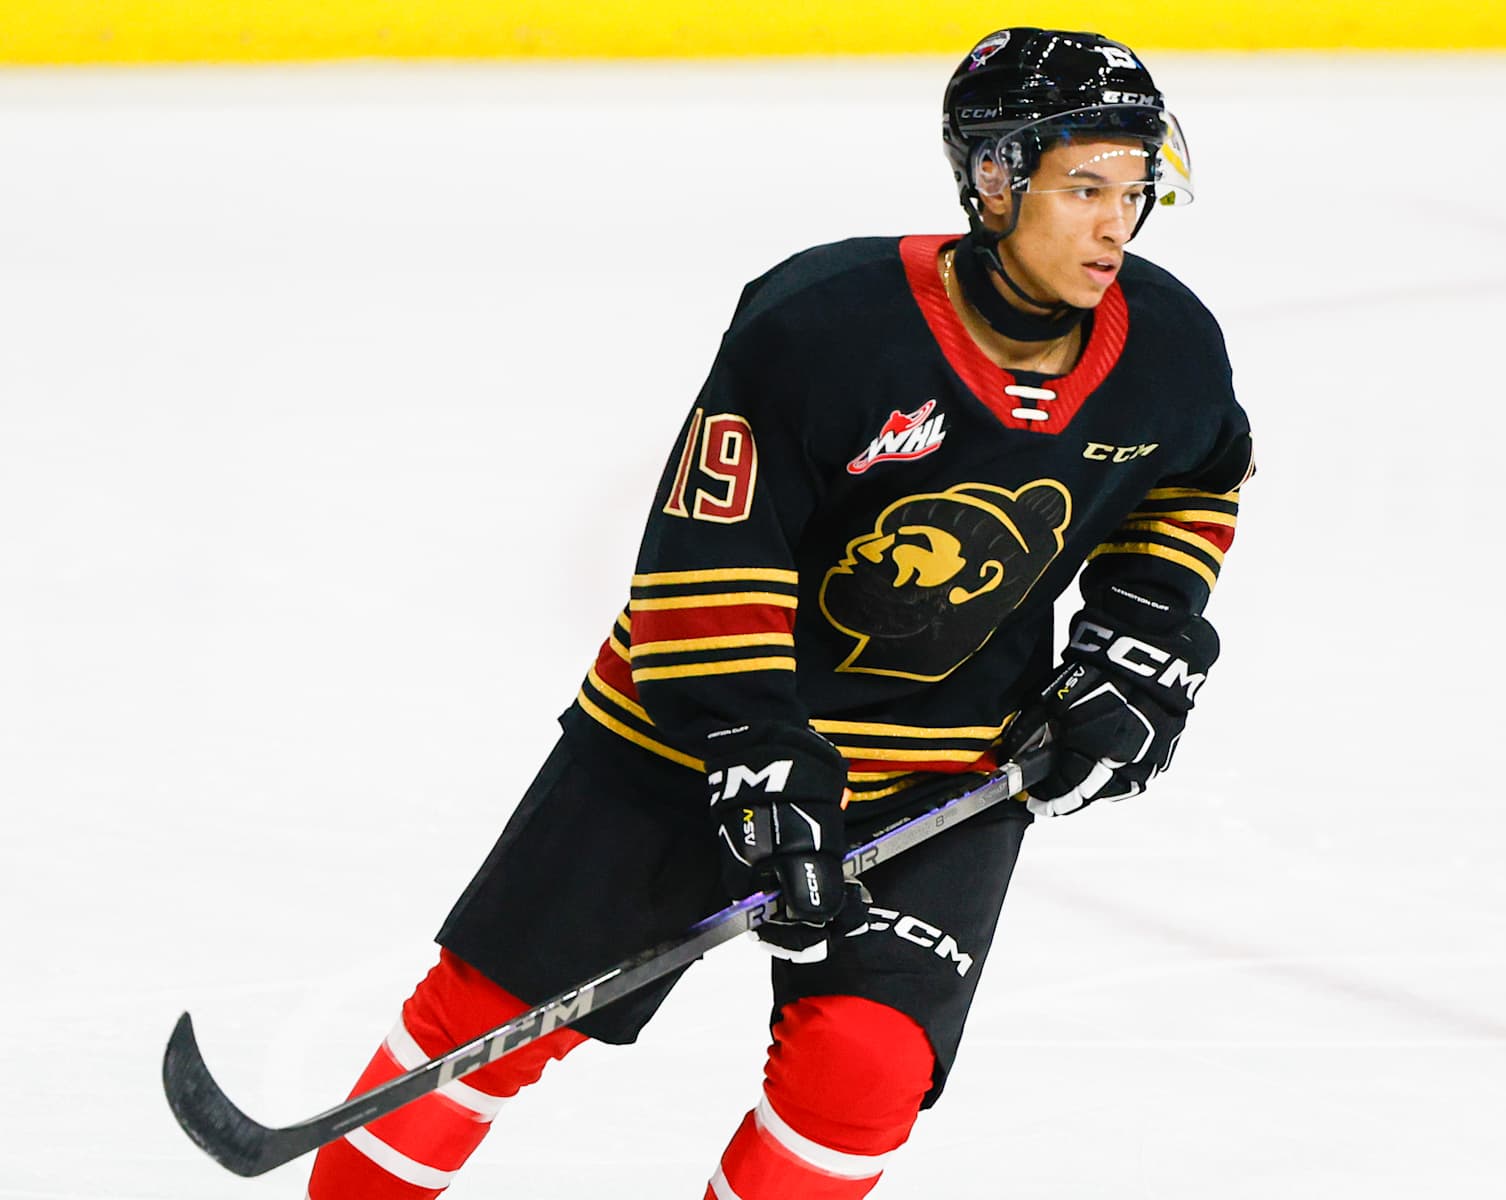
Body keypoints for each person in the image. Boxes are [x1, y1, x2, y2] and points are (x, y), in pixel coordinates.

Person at [305, 26, 1252, 1200]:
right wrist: (755, 749)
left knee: (862, 1072)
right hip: (690, 739)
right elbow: (713, 547)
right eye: (1085, 188)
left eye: (1135, 187)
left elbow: (1192, 486)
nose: (1119, 224)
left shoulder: (1168, 350)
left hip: (940, 773)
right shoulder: (826, 324)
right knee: (482, 1023)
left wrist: (1140, 642)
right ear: (995, 180)